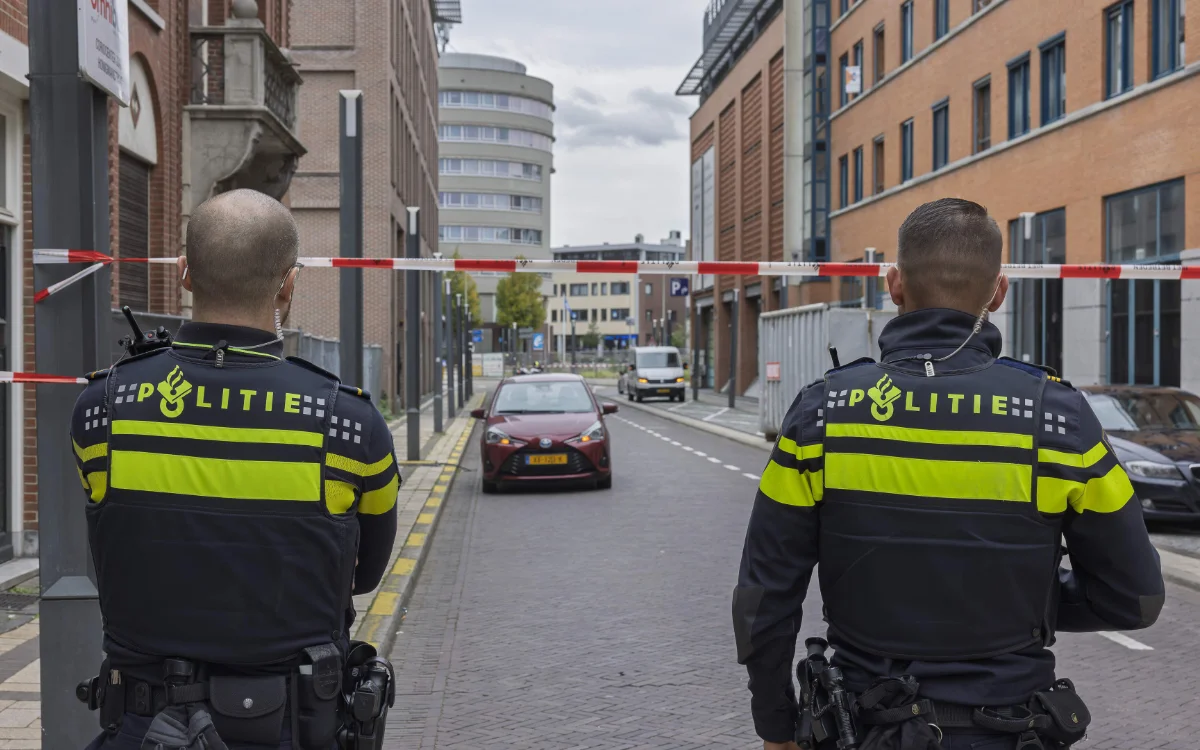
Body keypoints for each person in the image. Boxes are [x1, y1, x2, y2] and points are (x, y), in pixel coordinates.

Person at [733, 198, 1164, 750]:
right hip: (1012, 730)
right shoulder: (1059, 420)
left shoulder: (820, 415)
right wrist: (1027, 594)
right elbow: (1138, 598)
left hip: (864, 728)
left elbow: (763, 598)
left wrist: (775, 725)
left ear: (893, 285)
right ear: (999, 292)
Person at [71, 189, 400, 749]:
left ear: (183, 274)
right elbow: (364, 577)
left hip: (143, 728)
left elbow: (111, 549)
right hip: (291, 729)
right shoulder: (348, 425)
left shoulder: (103, 410)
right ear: (288, 283)